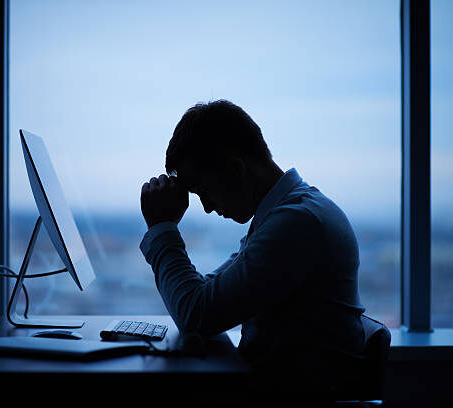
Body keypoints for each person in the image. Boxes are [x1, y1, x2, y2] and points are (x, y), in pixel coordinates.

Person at [139, 99, 366, 395]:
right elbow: (208, 298)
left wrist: (161, 227)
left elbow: (197, 315)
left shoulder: (297, 224)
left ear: (235, 168)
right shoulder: (286, 214)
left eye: (204, 191)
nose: (207, 207)